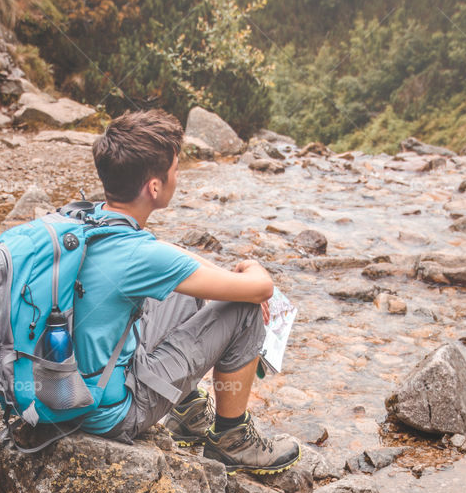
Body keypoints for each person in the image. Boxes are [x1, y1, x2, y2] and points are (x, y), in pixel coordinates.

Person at [51, 108, 300, 473]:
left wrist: (223, 281)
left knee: (186, 289)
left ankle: (186, 412)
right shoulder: (141, 255)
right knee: (243, 310)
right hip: (112, 414)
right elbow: (261, 289)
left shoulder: (84, 219)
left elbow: (178, 263)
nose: (177, 176)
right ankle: (232, 439)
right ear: (155, 186)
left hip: (66, 389)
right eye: (175, 170)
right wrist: (252, 270)